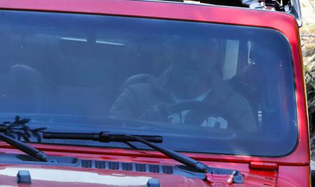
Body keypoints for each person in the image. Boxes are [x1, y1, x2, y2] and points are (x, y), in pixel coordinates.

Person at [109, 35, 257, 131]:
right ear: (168, 51)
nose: (193, 57)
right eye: (183, 46)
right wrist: (142, 125)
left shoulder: (237, 107)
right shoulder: (135, 97)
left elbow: (249, 156)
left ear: (215, 56)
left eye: (204, 48)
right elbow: (110, 144)